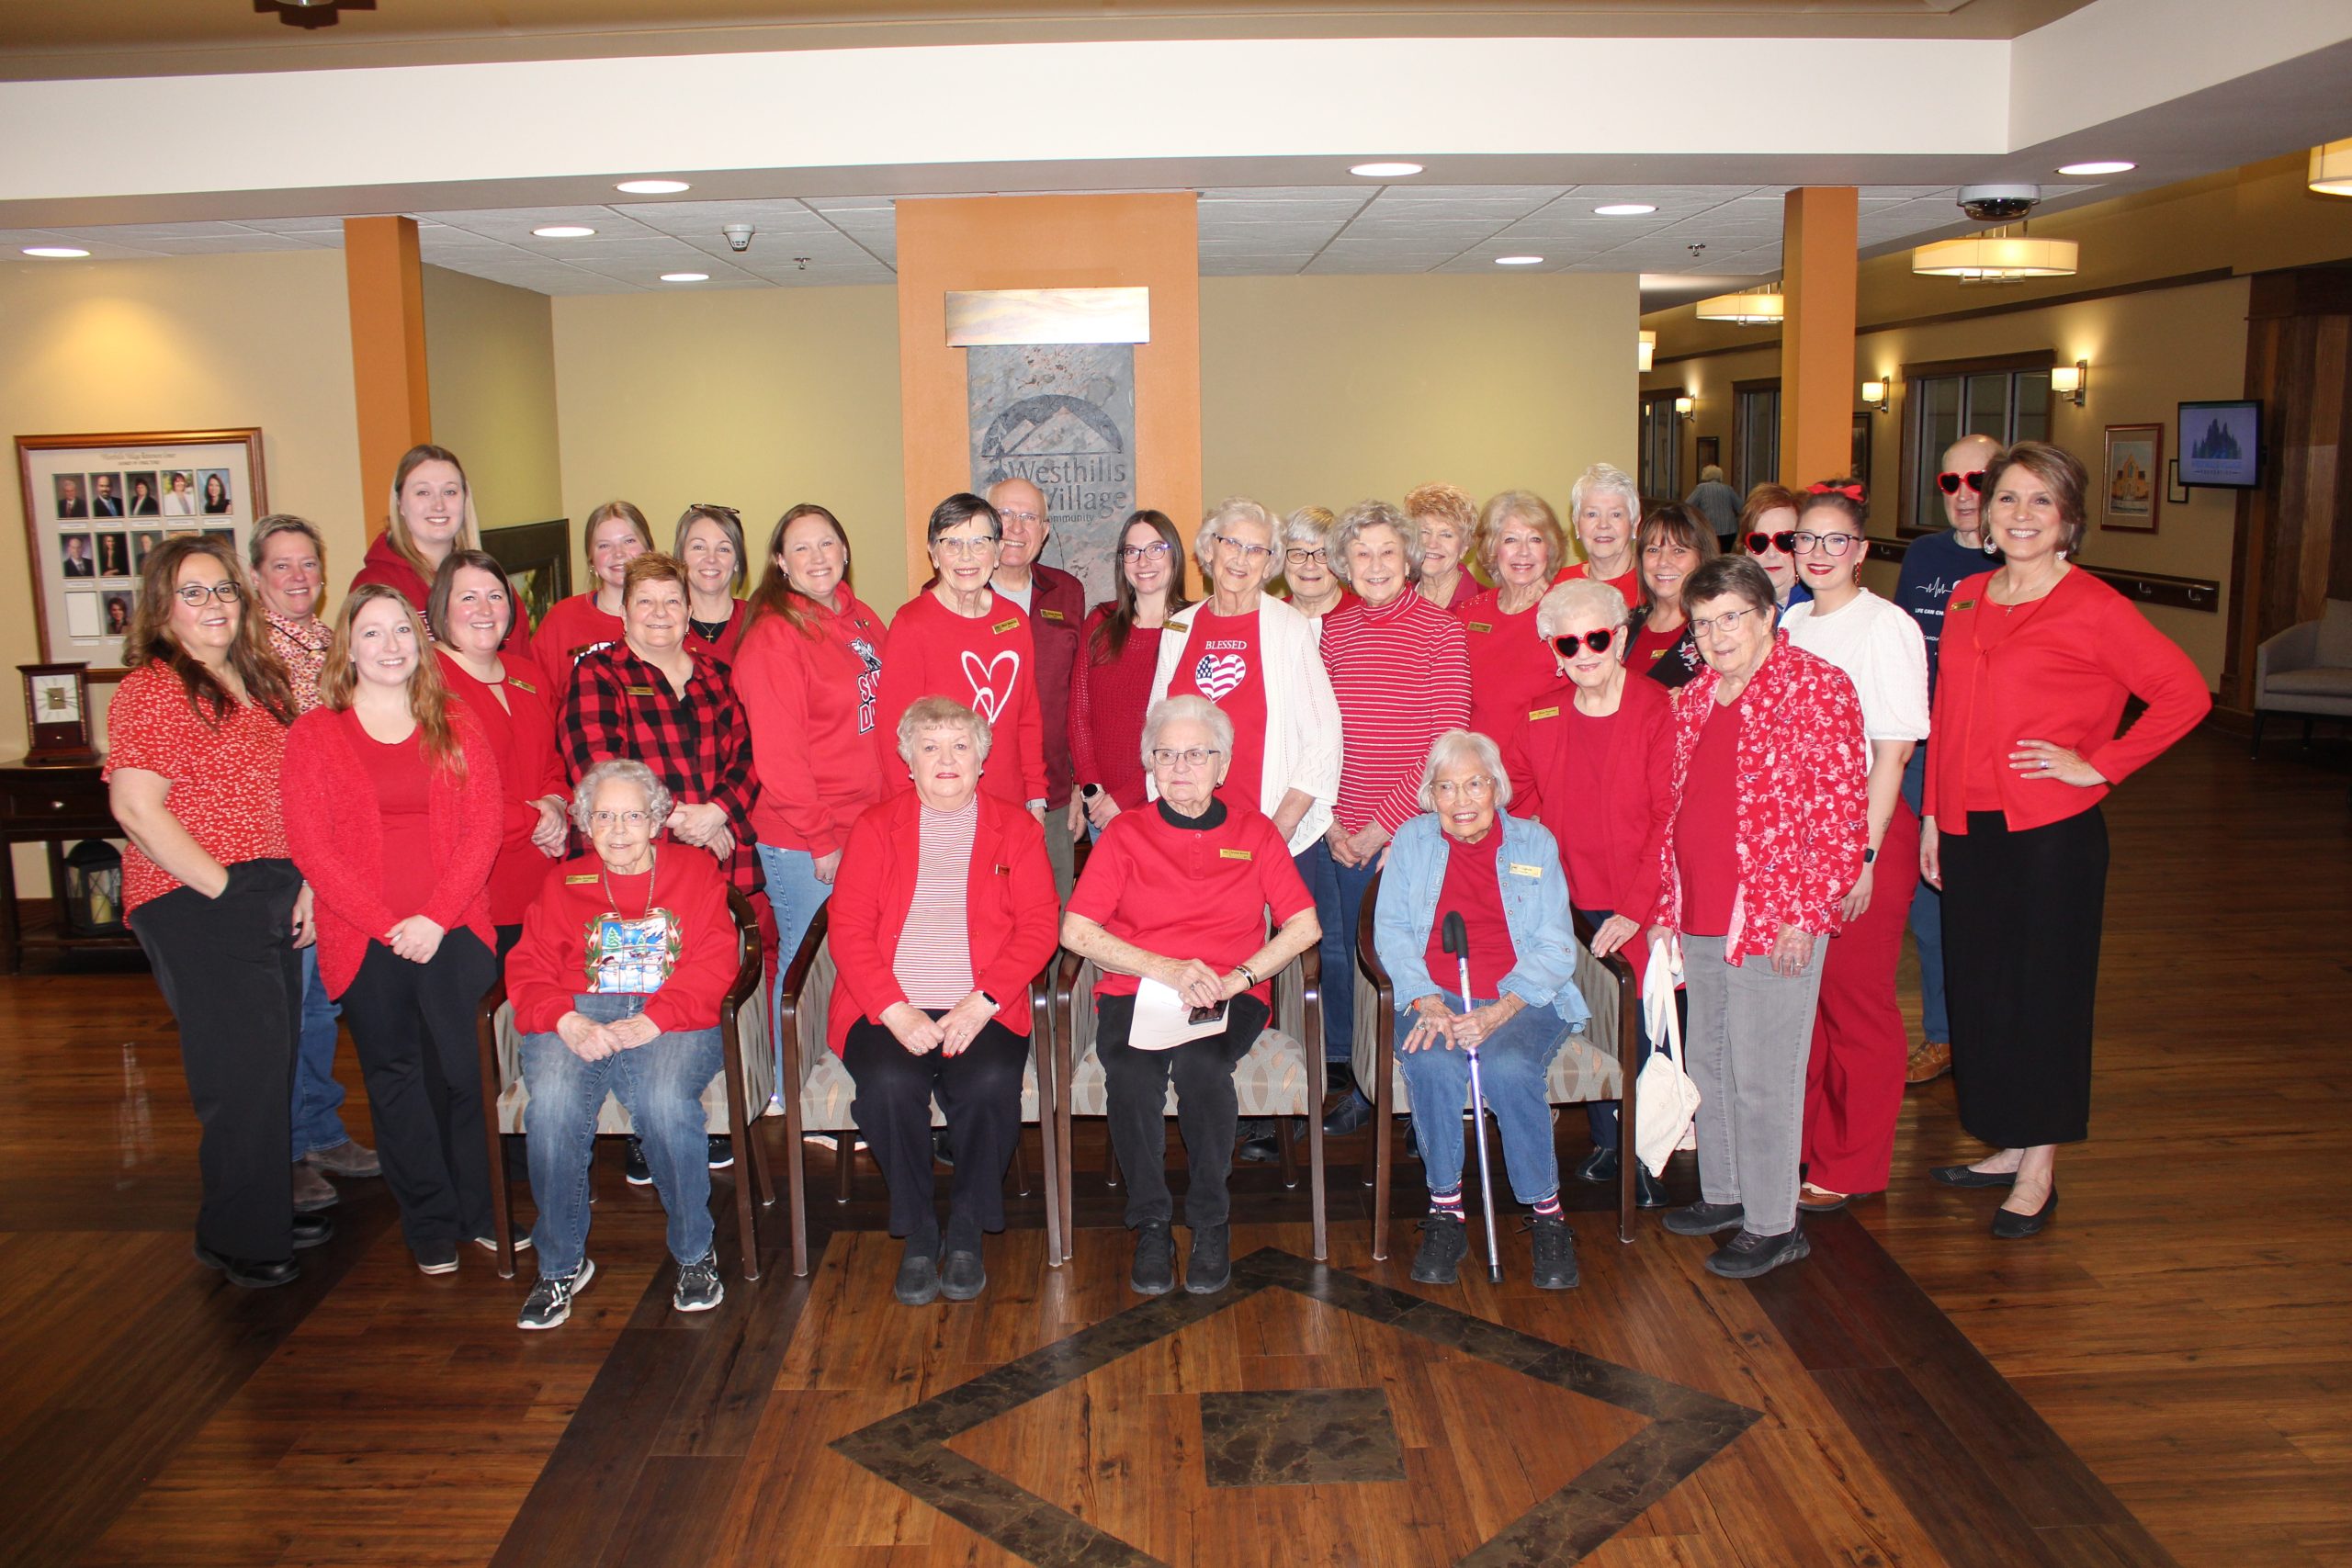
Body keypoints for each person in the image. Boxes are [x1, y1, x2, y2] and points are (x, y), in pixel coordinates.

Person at [1922, 442, 2210, 1238]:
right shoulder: (1972, 595)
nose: (2018, 514)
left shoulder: (2093, 606)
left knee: (2043, 997)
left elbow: (2183, 694)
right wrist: (1935, 816)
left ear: (2067, 522)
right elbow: (1949, 714)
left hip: (2050, 836)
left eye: (2038, 502)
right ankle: (2010, 1141)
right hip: (1971, 826)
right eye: (2007, 498)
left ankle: (2041, 1166)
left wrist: (2101, 764)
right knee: (1983, 990)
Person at [107, 536, 322, 1288]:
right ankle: (239, 1236)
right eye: (193, 592)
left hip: (270, 885)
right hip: (196, 898)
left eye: (224, 589)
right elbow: (136, 807)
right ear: (163, 605)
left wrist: (306, 882)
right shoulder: (154, 687)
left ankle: (259, 1206)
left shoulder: (256, 679)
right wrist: (225, 889)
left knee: (272, 1062)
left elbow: (294, 792)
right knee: (240, 1072)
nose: (213, 605)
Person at [1648, 555, 1867, 1280]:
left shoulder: (1816, 688)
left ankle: (1776, 1222)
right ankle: (1727, 1192)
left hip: (1774, 915)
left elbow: (1840, 814)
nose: (1716, 635)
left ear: (1769, 615)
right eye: (1703, 622)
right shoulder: (1698, 694)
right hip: (1705, 906)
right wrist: (1670, 906)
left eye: (1732, 617)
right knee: (1712, 1059)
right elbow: (1678, 807)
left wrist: (1806, 913)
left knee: (1766, 1074)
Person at [1062, 696, 1320, 1296]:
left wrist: (1238, 979)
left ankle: (1209, 1220)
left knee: (1204, 1068)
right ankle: (1152, 1221)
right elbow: (1076, 930)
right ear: (1151, 762)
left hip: (1226, 989)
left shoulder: (1253, 830)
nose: (1181, 766)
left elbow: (1304, 925)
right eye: (1167, 753)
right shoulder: (1125, 832)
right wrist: (1165, 968)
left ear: (1221, 765)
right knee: (1130, 1071)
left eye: (1196, 753)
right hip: (1137, 987)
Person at [282, 585, 503, 1275]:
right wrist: (386, 925)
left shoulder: (456, 720)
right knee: (397, 1078)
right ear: (349, 646)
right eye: (371, 633)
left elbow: (484, 824)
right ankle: (430, 1222)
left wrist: (435, 917)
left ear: (420, 642)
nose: (389, 646)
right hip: (363, 935)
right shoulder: (315, 734)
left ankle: (481, 1209)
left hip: (453, 925)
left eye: (401, 631)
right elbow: (312, 847)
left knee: (467, 1074)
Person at [829, 698, 1059, 1305]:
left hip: (981, 1002)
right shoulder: (876, 827)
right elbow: (847, 925)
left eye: (961, 745)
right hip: (887, 1003)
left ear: (983, 758)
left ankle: (965, 1224)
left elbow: (1039, 924)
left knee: (987, 1082)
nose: (947, 758)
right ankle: (918, 1227)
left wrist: (983, 1000)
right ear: (907, 760)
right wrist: (893, 1007)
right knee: (886, 1084)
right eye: (930, 746)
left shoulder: (1019, 828)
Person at [505, 759, 741, 1328]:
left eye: (633, 815)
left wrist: (658, 1018)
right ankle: (560, 1263)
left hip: (673, 1011)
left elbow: (715, 961)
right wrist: (564, 1021)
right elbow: (528, 967)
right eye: (603, 816)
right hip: (577, 1011)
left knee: (663, 1103)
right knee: (555, 1109)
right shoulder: (562, 883)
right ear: (583, 820)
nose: (617, 830)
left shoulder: (696, 872)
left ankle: (694, 1253)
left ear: (657, 817)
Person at [562, 552, 761, 1179]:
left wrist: (721, 812)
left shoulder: (714, 674)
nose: (659, 614)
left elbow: (746, 760)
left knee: (695, 987)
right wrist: (685, 819)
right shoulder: (598, 674)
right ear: (623, 608)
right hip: (631, 867)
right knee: (636, 987)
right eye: (644, 602)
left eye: (672, 602)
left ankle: (688, 1111)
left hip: (714, 862)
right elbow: (601, 770)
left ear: (689, 608)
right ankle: (646, 1128)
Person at [1375, 730, 1591, 1289]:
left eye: (1474, 783)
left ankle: (1547, 1216)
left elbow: (1555, 946)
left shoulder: (1534, 844)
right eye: (1447, 787)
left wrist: (1498, 1011)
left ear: (1497, 787)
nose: (1462, 799)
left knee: (1508, 1066)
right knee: (1432, 1063)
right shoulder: (1413, 841)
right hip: (1436, 995)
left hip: (1522, 998)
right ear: (1431, 795)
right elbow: (1393, 932)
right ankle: (1446, 1209)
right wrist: (1428, 1001)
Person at [1777, 482, 1929, 1213]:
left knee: (1855, 1003)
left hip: (1865, 832)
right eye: (1806, 539)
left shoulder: (1886, 627)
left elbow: (1891, 755)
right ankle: (1802, 1144)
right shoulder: (1793, 621)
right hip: (1797, 839)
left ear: (1862, 551)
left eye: (1835, 540)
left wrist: (1860, 859)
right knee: (1802, 1003)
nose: (1819, 553)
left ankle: (1853, 1160)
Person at [1503, 578, 1674, 1207]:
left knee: (1643, 1028)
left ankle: (1645, 1155)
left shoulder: (1658, 708)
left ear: (1621, 637)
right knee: (1593, 1019)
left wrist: (1637, 908)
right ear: (1553, 649)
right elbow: (1518, 803)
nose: (1583, 653)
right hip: (1567, 902)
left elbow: (1668, 818)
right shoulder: (1540, 711)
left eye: (1596, 638)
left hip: (1641, 898)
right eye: (1567, 642)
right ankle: (1607, 1143)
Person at [1315, 499, 1472, 1136]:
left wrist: (1383, 827)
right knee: (1351, 963)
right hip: (1338, 832)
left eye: (1387, 551)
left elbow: (1446, 738)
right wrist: (1330, 823)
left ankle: (1417, 1092)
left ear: (1406, 557)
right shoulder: (1333, 632)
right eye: (1362, 553)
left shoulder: (1441, 629)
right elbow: (1315, 736)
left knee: (1407, 963)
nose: (1376, 564)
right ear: (1344, 564)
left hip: (1409, 834)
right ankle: (1364, 1084)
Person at [252, 515, 380, 1207]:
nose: (298, 578)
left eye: (308, 565)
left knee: (322, 1004)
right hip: (276, 860)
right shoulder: (249, 656)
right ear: (256, 576)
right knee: (287, 1010)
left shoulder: (334, 647)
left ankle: (321, 1129)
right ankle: (288, 1150)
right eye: (282, 566)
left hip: (333, 857)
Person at [735, 503, 889, 1022]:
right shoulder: (774, 637)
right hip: (806, 837)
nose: (817, 557)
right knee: (807, 966)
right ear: (781, 561)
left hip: (866, 823)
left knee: (857, 960)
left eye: (826, 543)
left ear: (845, 550)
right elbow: (779, 759)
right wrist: (821, 839)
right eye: (800, 547)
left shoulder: (861, 617)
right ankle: (786, 1085)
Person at [1895, 433, 2002, 1087]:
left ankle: (1987, 1032)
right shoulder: (1924, 555)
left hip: (1979, 761)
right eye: (1951, 482)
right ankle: (1942, 1034)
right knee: (1924, 905)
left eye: (1979, 480)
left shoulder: (2017, 566)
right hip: (1915, 751)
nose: (1965, 495)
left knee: (1983, 905)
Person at [1148, 497, 1340, 860]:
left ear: (1270, 563)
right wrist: (1166, 818)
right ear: (1208, 549)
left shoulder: (1289, 628)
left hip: (1268, 829)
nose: (1241, 558)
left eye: (1256, 550)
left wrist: (1279, 829)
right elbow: (1155, 728)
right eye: (1231, 543)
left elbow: (1324, 737)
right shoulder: (1179, 627)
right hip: (1187, 832)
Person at [428, 549, 569, 953]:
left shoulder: (529, 675)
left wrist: (557, 803)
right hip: (472, 889)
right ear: (442, 606)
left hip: (542, 876)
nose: (484, 609)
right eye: (468, 597)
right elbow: (450, 790)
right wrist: (535, 819)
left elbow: (552, 761)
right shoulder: (427, 683)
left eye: (496, 595)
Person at [875, 494, 1047, 820]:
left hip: (1006, 805)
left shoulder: (1013, 621)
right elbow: (892, 736)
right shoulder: (911, 625)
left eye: (979, 543)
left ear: (997, 551)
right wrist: (910, 813)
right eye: (951, 543)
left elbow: (1028, 716)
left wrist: (1035, 797)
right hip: (936, 808)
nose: (966, 556)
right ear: (934, 553)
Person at [985, 477, 1087, 897]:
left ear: (1044, 532)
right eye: (1005, 515)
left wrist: (1081, 785)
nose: (1016, 528)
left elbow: (1080, 698)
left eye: (1029, 517)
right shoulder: (954, 595)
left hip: (1055, 797)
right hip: (979, 796)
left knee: (1051, 916)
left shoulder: (1067, 592)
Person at [351, 444, 533, 660]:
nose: (438, 505)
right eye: (423, 492)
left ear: (464, 500)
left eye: (449, 492)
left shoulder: (492, 584)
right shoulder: (376, 584)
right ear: (400, 503)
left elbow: (521, 668)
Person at [1073, 509, 1190, 834]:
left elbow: (1190, 732)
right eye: (1132, 551)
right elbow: (1079, 714)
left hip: (1165, 803)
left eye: (1156, 549)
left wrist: (1126, 798)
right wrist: (1092, 790)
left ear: (1174, 557)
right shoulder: (1100, 623)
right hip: (1101, 808)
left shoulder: (1192, 627)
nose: (1143, 561)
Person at [1459, 490, 1565, 740]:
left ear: (1549, 549)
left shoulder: (1569, 614)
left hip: (1540, 768)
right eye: (1510, 540)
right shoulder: (1468, 613)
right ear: (1493, 549)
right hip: (1478, 771)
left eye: (1535, 540)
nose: (1523, 552)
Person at [534, 500, 651, 670]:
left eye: (629, 541)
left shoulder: (670, 617)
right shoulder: (562, 620)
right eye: (604, 545)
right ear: (592, 560)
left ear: (649, 551)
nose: (618, 553)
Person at [1628, 502, 1720, 689]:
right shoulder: (1625, 624)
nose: (1663, 562)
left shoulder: (1716, 629)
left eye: (1678, 550)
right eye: (1653, 550)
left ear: (1702, 557)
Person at [1555, 462, 1641, 606]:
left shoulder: (1654, 585)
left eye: (1616, 514)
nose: (1603, 525)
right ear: (1576, 524)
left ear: (1634, 524)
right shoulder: (1557, 586)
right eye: (1592, 514)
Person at [674, 502, 751, 660]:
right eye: (699, 547)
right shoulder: (664, 621)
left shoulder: (758, 620)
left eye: (724, 549)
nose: (711, 558)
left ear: (737, 562)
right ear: (681, 558)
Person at [1406, 481, 1481, 611]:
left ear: (1464, 547)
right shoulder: (1394, 598)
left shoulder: (1485, 604)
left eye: (1446, 535)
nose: (1432, 544)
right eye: (1424, 532)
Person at [1740, 484, 1814, 611]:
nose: (1771, 553)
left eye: (1784, 540)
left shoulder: (1823, 608)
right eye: (1759, 542)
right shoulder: (1733, 610)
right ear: (1747, 551)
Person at [1276, 506, 1350, 621]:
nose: (1310, 565)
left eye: (1323, 554)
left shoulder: (1364, 615)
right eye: (1298, 554)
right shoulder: (1268, 617)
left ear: (1340, 561)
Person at [1685, 463, 1743, 547]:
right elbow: (1741, 507)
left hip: (1710, 529)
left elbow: (1687, 505)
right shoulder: (1728, 488)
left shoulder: (1701, 488)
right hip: (1729, 530)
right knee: (1724, 555)